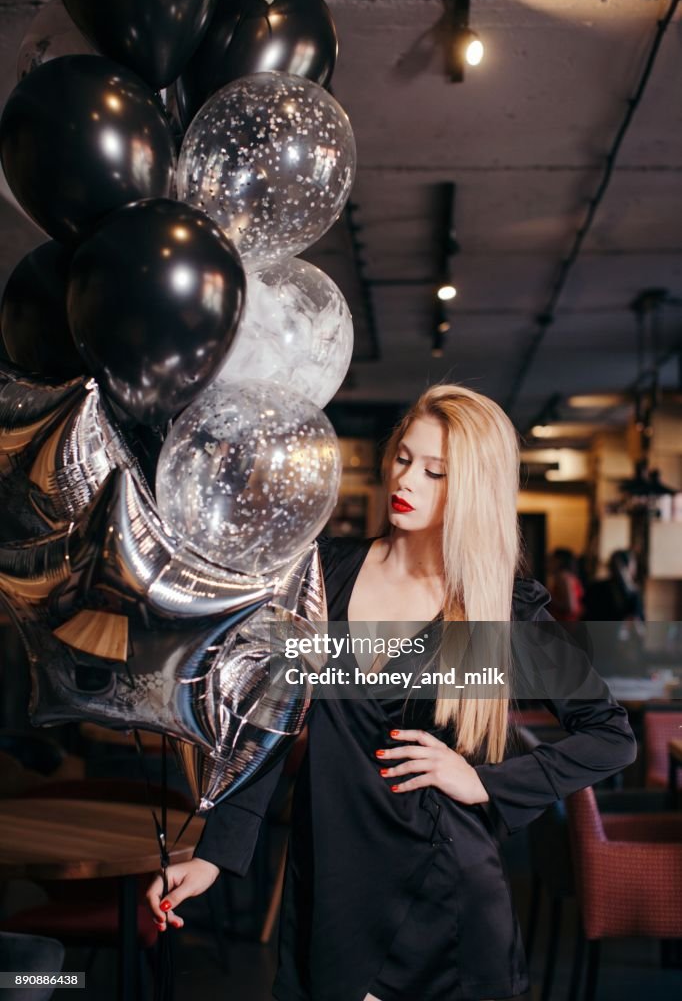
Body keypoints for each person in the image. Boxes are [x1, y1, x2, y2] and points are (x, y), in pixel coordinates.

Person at [146, 384, 637, 1001]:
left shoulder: (499, 610)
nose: (407, 480)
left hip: (444, 896)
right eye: (404, 458)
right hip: (331, 880)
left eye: (436, 472)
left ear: (473, 491)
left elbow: (611, 738)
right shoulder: (323, 573)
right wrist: (214, 854)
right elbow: (268, 721)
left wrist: (484, 782)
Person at [546, 548, 584, 622]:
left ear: (559, 561)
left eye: (551, 559)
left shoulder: (563, 578)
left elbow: (570, 607)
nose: (547, 563)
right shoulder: (571, 577)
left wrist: (547, 599)